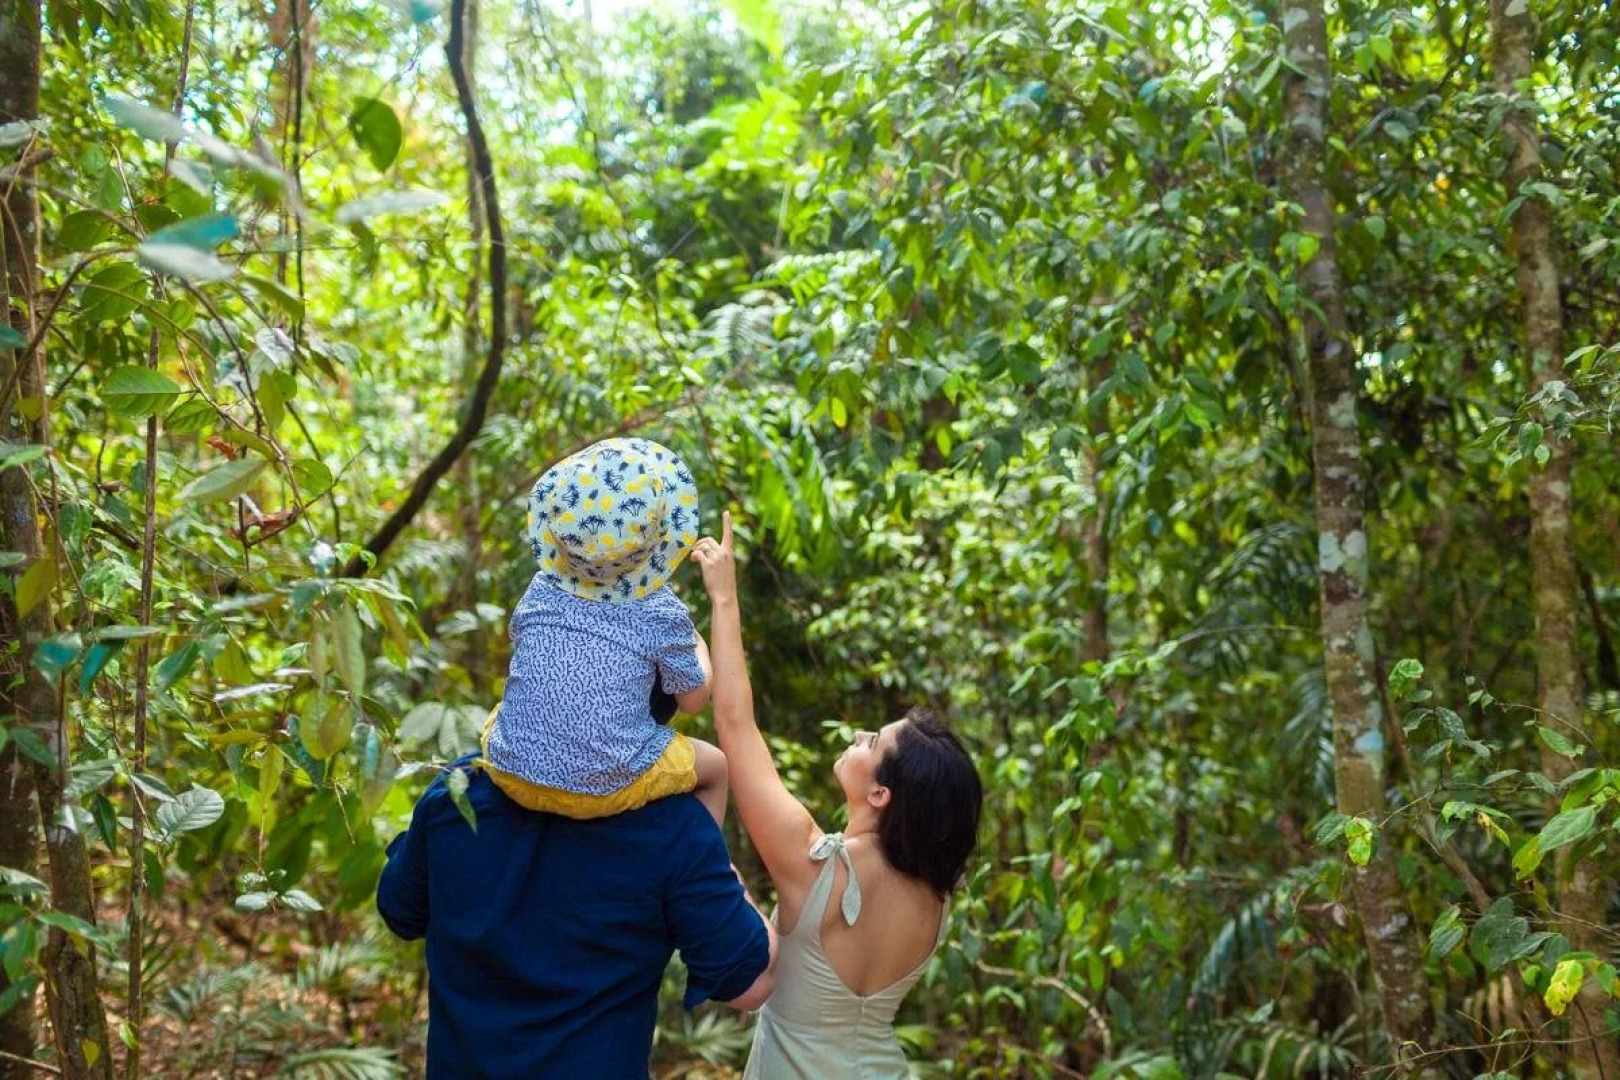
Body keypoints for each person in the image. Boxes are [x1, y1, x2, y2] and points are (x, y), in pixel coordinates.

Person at [690, 512, 984, 1078]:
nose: (856, 735)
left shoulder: (817, 867)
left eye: (872, 740)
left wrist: (724, 599)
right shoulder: (936, 894)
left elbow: (733, 723)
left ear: (880, 793)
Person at [375, 756, 777, 1078]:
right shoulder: (671, 824)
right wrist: (724, 876)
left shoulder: (458, 791)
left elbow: (400, 912)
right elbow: (749, 985)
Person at [481, 437, 729, 824]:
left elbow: (522, 642)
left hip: (510, 772)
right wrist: (696, 642)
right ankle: (707, 869)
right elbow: (693, 700)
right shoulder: (660, 610)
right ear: (658, 535)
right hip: (603, 788)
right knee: (716, 769)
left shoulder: (541, 588)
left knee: (500, 712)